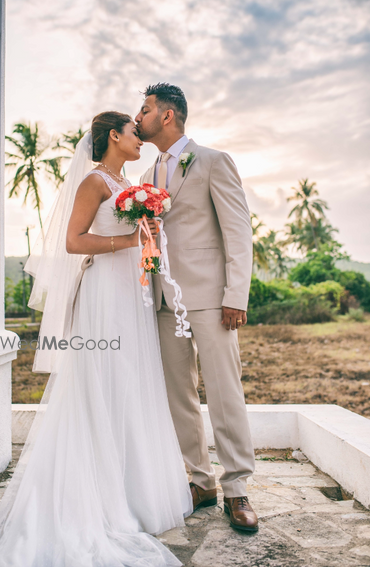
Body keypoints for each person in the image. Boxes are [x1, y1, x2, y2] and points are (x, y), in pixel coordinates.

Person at [0, 111, 192, 567]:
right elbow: (73, 242)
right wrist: (127, 242)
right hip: (103, 291)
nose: (139, 138)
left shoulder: (129, 183)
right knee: (103, 381)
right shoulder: (95, 182)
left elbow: (131, 234)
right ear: (112, 137)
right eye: (131, 132)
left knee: (132, 383)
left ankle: (131, 490)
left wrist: (148, 233)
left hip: (132, 292)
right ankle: (98, 495)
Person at [136, 83, 259, 533]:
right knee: (178, 397)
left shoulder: (212, 161)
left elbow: (238, 232)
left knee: (225, 392)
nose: (139, 117)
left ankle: (238, 488)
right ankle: (202, 481)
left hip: (211, 299)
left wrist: (235, 296)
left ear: (167, 116)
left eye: (145, 110)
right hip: (165, 301)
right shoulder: (149, 174)